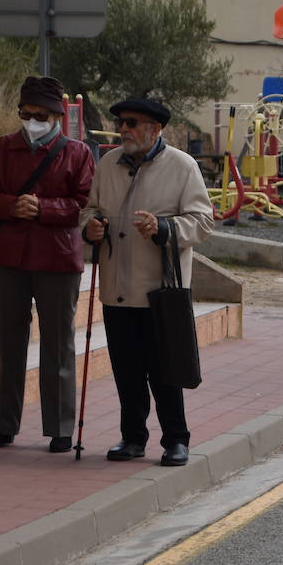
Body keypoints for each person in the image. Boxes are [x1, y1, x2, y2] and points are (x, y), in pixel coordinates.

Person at [82, 97, 214, 466]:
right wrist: (89, 226)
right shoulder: (107, 164)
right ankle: (132, 438)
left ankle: (176, 439)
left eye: (133, 123)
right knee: (126, 370)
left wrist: (165, 227)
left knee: (165, 369)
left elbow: (202, 222)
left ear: (156, 129)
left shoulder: (182, 166)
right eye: (122, 122)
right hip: (116, 287)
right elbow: (90, 208)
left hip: (161, 289)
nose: (124, 128)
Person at [0, 76, 95, 454]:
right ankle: (4, 424)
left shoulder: (77, 153)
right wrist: (11, 205)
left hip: (57, 259)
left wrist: (44, 207)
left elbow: (85, 203)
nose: (32, 121)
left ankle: (59, 427)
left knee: (59, 344)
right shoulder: (4, 147)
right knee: (9, 342)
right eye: (26, 114)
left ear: (57, 115)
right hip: (7, 258)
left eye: (40, 115)